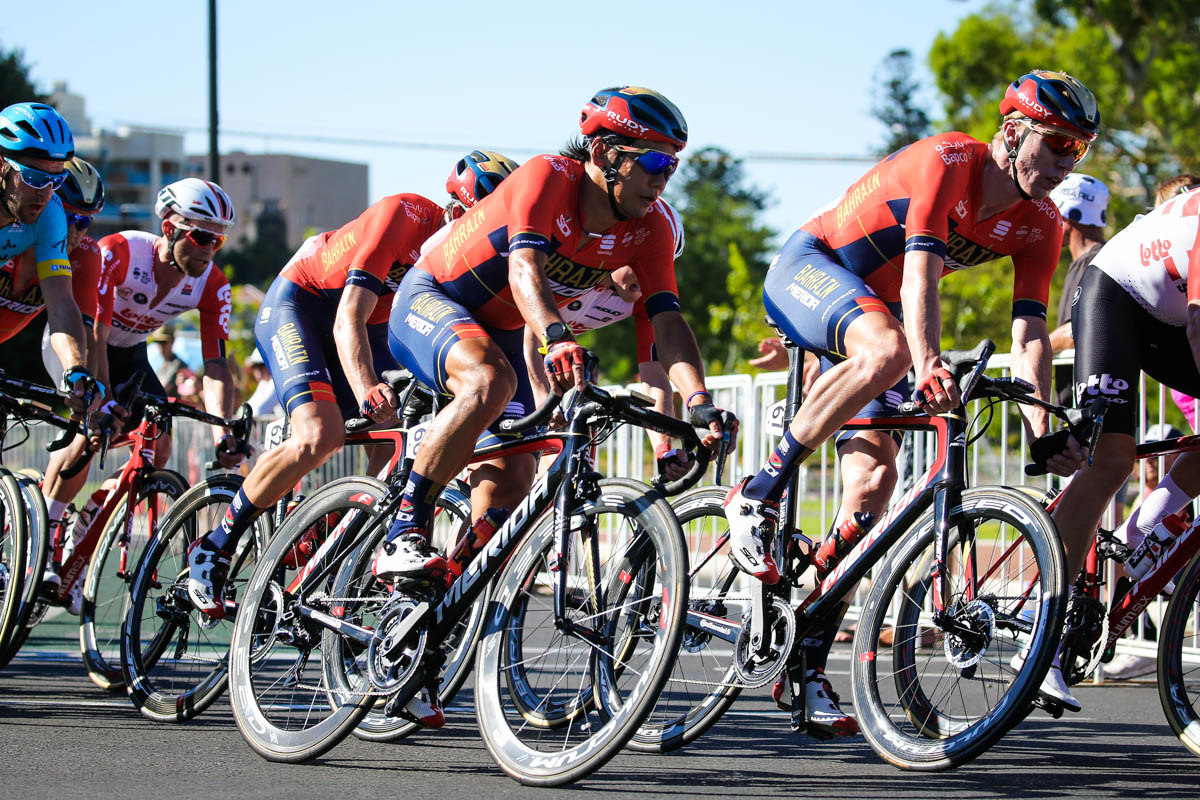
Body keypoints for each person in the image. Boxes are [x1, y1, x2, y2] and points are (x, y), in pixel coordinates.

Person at [723, 70, 1099, 735]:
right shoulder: (947, 162)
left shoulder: (1037, 221)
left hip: (875, 320)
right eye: (1058, 145)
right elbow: (921, 274)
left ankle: (804, 664)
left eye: (1080, 150)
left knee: (872, 486)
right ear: (1013, 133)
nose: (1067, 164)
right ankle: (759, 489)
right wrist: (926, 362)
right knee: (892, 351)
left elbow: (1031, 333)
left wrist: (1041, 425)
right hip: (815, 267)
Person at [376, 89, 732, 730]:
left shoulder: (648, 227)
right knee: (490, 381)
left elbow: (666, 325)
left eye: (672, 166)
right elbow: (524, 274)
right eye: (652, 162)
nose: (662, 178)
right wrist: (556, 335)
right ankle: (405, 522)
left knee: (509, 487)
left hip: (503, 328)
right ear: (603, 153)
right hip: (433, 297)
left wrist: (700, 403)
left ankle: (431, 623)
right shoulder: (549, 176)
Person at [185, 151, 520, 626]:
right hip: (306, 306)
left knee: (399, 457)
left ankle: (322, 548)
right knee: (319, 434)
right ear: (455, 210)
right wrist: (366, 387)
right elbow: (348, 317)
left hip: (375, 328)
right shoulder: (402, 216)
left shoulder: (471, 259)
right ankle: (216, 544)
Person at [1050, 182, 1200, 709]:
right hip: (1117, 296)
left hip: (1169, 318)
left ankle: (1136, 537)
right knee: (1110, 459)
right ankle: (1046, 631)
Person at [521, 199, 693, 476]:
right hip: (514, 341)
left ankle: (567, 501)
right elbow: (528, 332)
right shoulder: (581, 266)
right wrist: (544, 399)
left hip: (548, 352)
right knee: (512, 476)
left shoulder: (645, 296)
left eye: (657, 264)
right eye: (637, 263)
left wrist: (664, 449)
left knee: (585, 376)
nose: (646, 274)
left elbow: (655, 378)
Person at [0, 103, 95, 411]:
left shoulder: (50, 213)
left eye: (55, 181)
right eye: (34, 178)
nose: (44, 194)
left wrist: (74, 369)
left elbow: (61, 305)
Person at [1048, 173, 1109, 404]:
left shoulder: (1093, 261)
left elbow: (1079, 332)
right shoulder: (1093, 259)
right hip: (1094, 403)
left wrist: (1032, 348)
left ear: (1066, 214)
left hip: (1093, 407)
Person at [149, 325, 188, 397]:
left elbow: (163, 389)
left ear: (172, 341)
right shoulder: (162, 364)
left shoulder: (178, 364)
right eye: (158, 342)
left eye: (164, 342)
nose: (161, 346)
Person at [244, 349, 279, 418]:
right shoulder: (263, 383)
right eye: (254, 367)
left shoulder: (276, 383)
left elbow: (260, 410)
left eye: (259, 366)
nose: (256, 370)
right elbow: (249, 404)